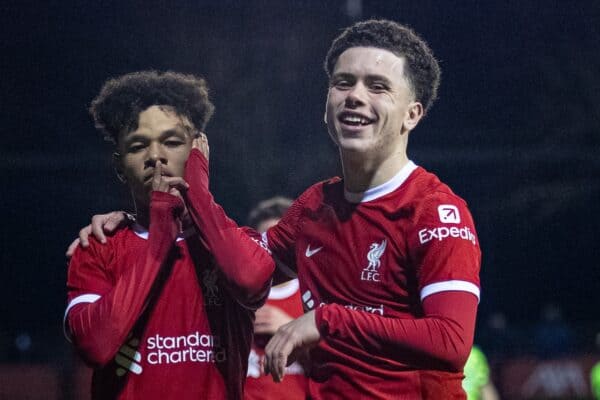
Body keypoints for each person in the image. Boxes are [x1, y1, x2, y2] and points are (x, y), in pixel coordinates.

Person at [73, 20, 481, 399]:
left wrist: (326, 321)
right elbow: (247, 272)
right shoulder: (314, 208)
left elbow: (450, 343)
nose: (355, 95)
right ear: (326, 104)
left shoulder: (436, 211)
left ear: (413, 114)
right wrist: (153, 217)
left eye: (378, 86)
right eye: (343, 82)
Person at [64, 71, 273, 400]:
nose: (155, 156)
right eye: (138, 145)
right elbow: (95, 345)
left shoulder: (234, 244)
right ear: (120, 166)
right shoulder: (98, 247)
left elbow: (250, 281)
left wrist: (200, 196)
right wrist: (161, 231)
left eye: (172, 142)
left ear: (198, 153)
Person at [244, 197, 307, 400]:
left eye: (283, 244)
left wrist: (293, 329)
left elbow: (338, 363)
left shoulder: (312, 295)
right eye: (269, 243)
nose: (275, 251)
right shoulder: (238, 295)